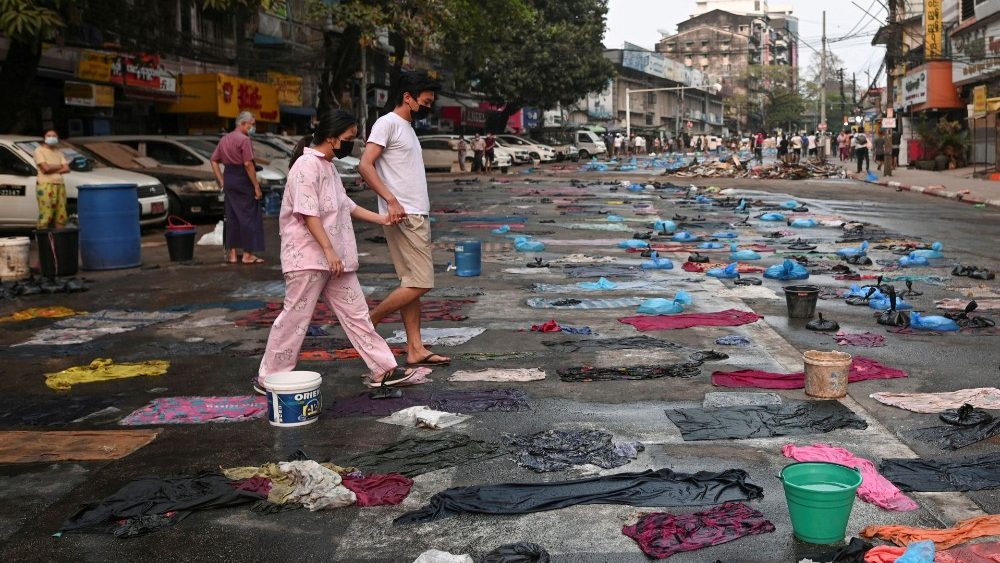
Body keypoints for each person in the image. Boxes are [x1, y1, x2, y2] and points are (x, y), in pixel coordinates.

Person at [257, 110, 416, 392]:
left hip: (337, 261)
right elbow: (308, 213)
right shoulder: (306, 166)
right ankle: (270, 377)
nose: (351, 144)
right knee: (294, 319)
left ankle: (384, 369)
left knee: (358, 315)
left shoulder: (328, 166)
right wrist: (328, 250)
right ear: (331, 139)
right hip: (308, 258)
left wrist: (383, 219)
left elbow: (346, 206)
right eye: (348, 138)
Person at [358, 70, 450, 368]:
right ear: (407, 98)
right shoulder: (387, 123)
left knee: (412, 282)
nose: (428, 108)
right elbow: (365, 165)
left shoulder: (406, 127)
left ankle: (415, 348)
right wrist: (392, 200)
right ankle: (367, 321)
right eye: (425, 102)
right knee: (422, 282)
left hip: (414, 213)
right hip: (405, 214)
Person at [210, 111, 265, 264]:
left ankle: (233, 255)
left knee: (232, 216)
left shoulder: (224, 139)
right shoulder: (244, 140)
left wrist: (221, 180)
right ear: (242, 124)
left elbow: (213, 160)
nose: (252, 127)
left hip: (229, 179)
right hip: (242, 179)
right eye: (251, 124)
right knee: (249, 216)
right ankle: (247, 254)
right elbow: (248, 164)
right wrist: (256, 186)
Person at [33, 129, 70, 229]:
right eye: (49, 135)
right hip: (45, 185)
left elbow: (67, 168)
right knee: (46, 214)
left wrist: (51, 167)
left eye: (54, 136)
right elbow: (45, 169)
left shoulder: (59, 152)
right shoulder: (39, 151)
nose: (52, 138)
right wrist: (59, 166)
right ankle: (43, 241)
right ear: (44, 138)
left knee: (61, 214)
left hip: (59, 184)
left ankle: (60, 240)